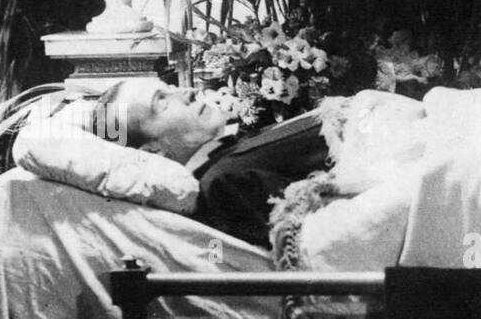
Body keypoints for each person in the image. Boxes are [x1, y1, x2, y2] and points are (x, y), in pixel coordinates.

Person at [89, 77, 331, 247]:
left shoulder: (227, 153)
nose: (188, 91)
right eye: (161, 101)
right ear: (151, 150)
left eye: (170, 87)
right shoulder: (223, 184)